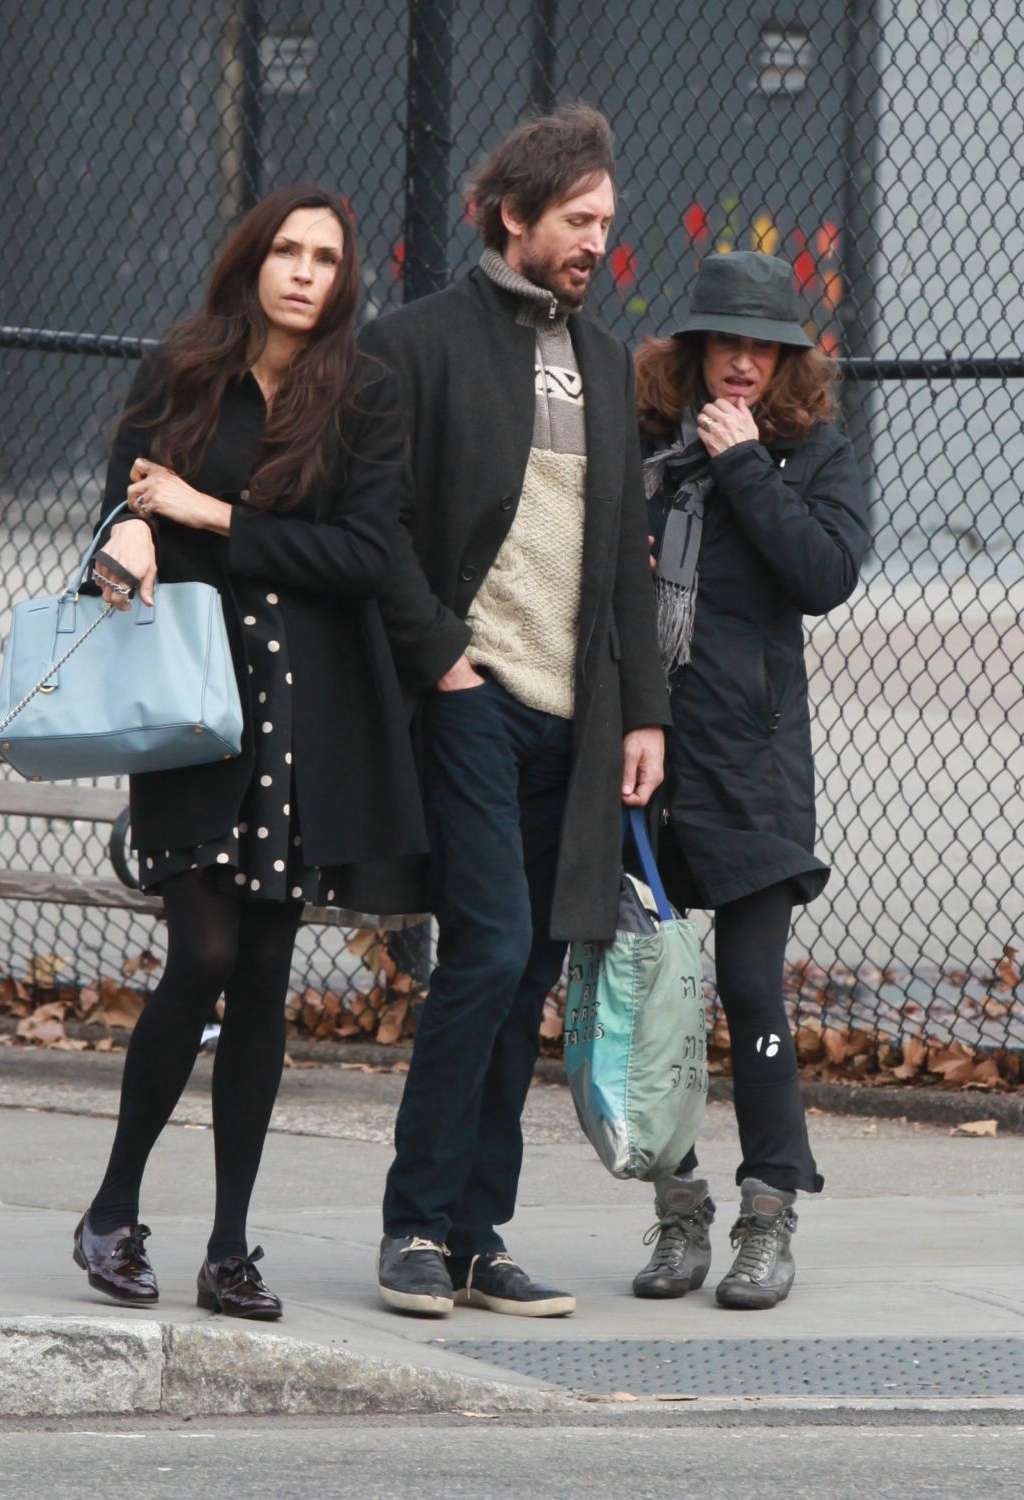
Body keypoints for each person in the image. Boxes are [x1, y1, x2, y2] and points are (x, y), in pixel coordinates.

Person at [73, 185, 424, 1321]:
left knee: (266, 976)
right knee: (205, 953)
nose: (305, 272)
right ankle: (113, 1210)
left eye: (326, 257)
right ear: (252, 259)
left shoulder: (362, 394)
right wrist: (127, 529)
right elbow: (120, 508)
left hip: (304, 713)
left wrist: (205, 515)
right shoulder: (180, 368)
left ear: (344, 279)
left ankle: (229, 1245)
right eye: (287, 249)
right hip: (193, 703)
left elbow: (364, 554)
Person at [359, 105, 670, 1318]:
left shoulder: (602, 359)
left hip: (577, 720)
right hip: (472, 698)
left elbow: (622, 563)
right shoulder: (414, 345)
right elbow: (377, 525)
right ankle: (414, 1227)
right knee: (483, 953)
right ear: (512, 217)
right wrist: (443, 658)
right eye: (578, 221)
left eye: (606, 223)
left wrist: (642, 713)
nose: (597, 242)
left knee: (530, 967)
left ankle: (478, 1234)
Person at [630, 250, 870, 1309]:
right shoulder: (641, 449)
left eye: (760, 348)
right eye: (722, 343)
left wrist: (744, 471)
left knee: (748, 985)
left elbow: (823, 577)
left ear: (784, 360)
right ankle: (676, 1212)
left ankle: (767, 1212)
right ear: (692, 351)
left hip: (751, 763)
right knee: (650, 1002)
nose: (740, 364)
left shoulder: (810, 454)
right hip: (643, 753)